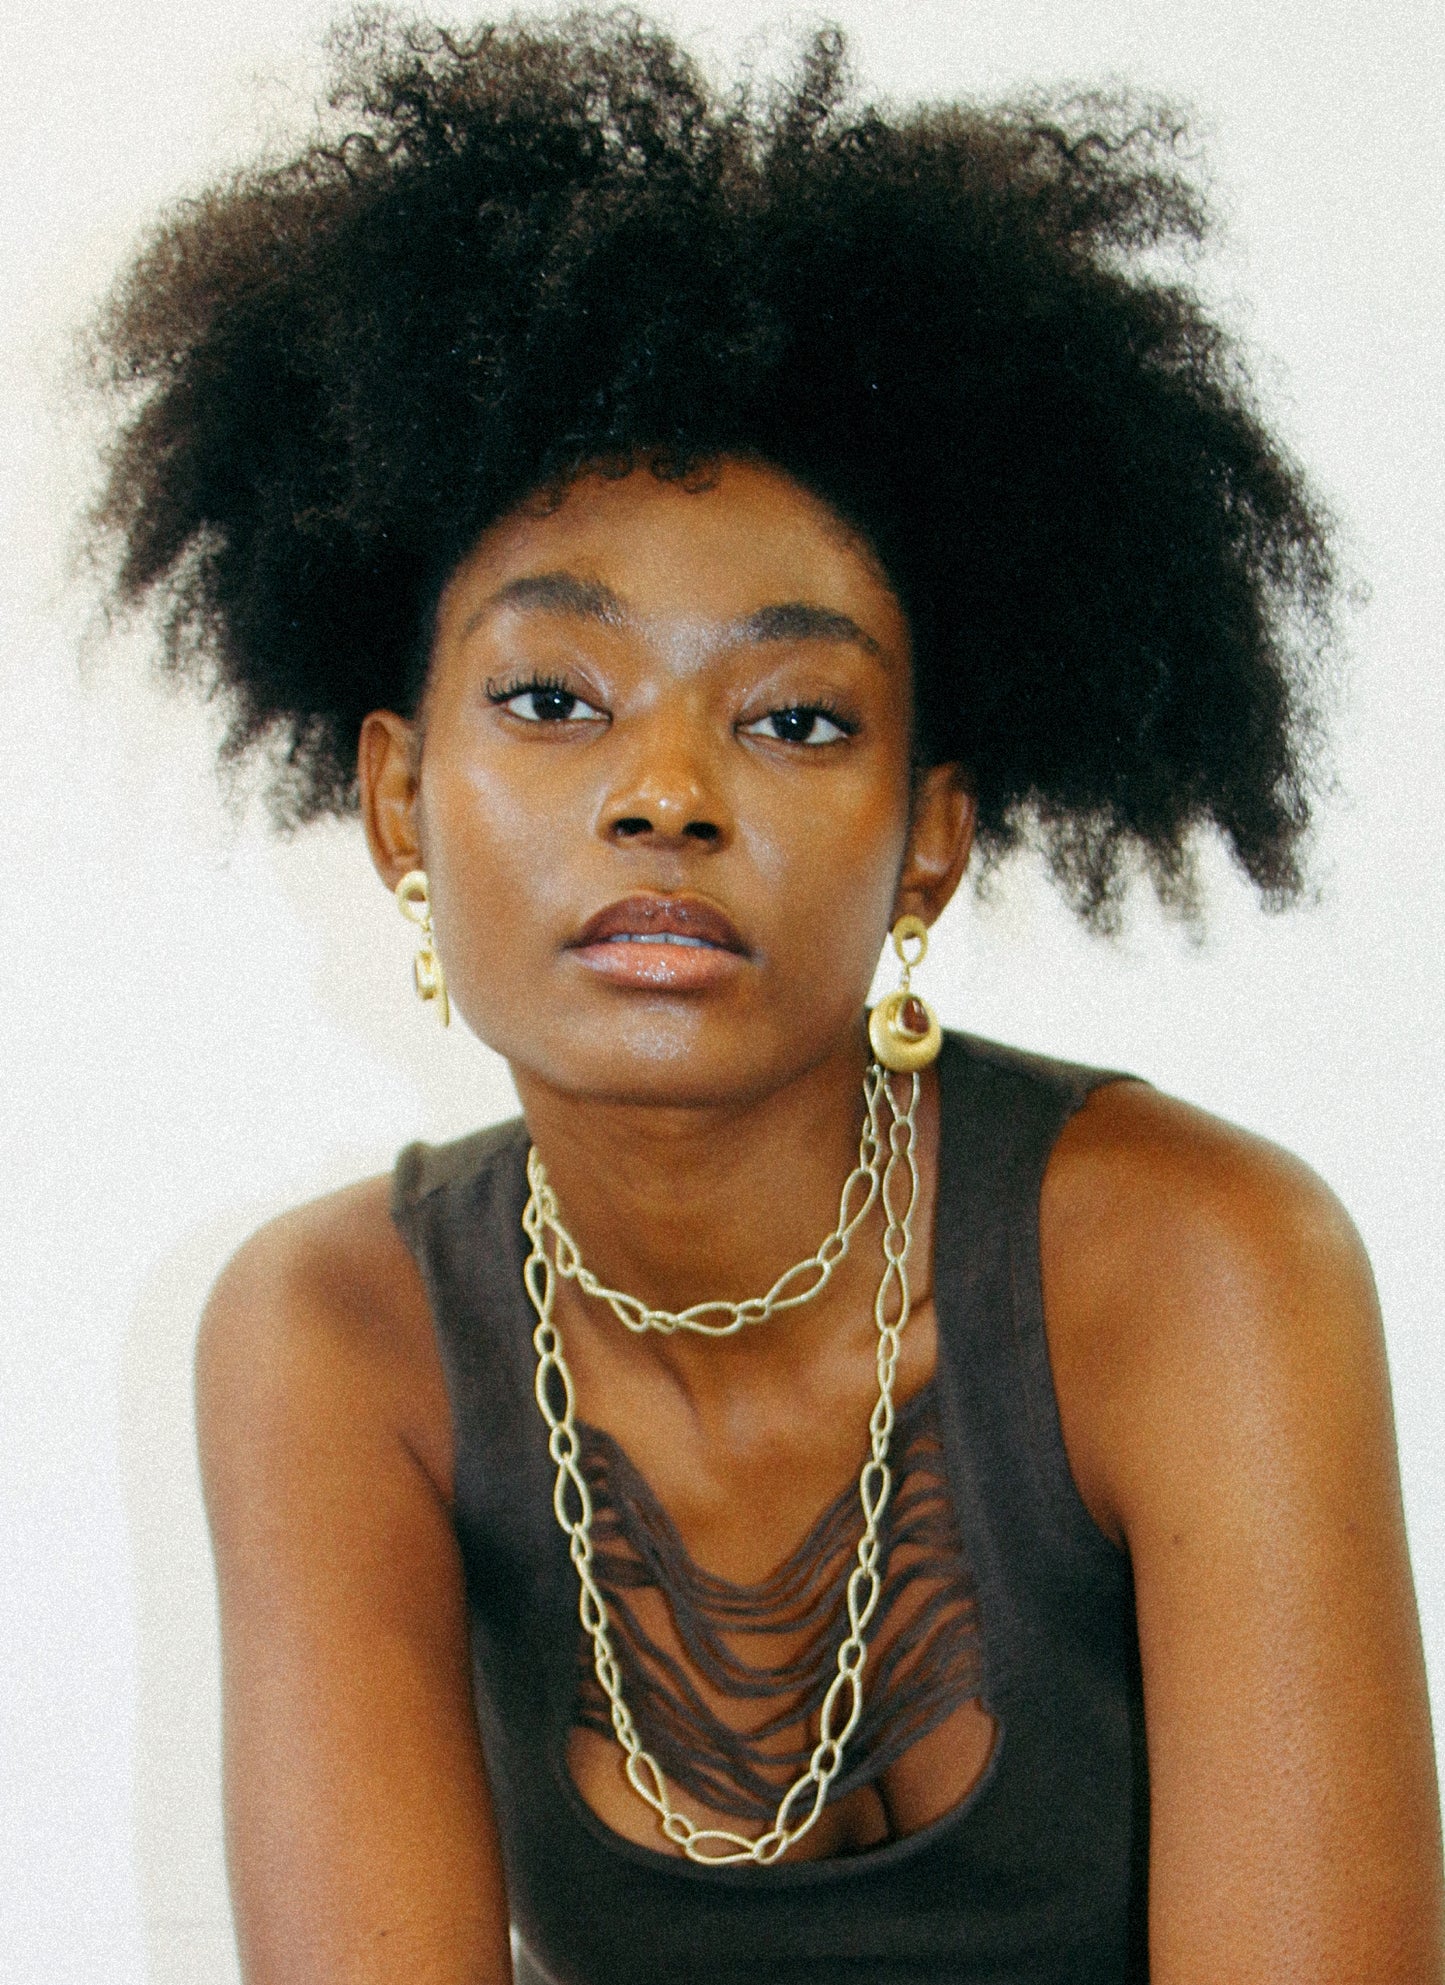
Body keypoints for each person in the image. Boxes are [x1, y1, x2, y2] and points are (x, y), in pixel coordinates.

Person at [88, 12, 1443, 1982]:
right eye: (553, 697)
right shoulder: (339, 1337)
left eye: (795, 717)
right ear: (396, 799)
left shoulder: (1194, 1268)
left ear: (928, 840)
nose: (664, 792)